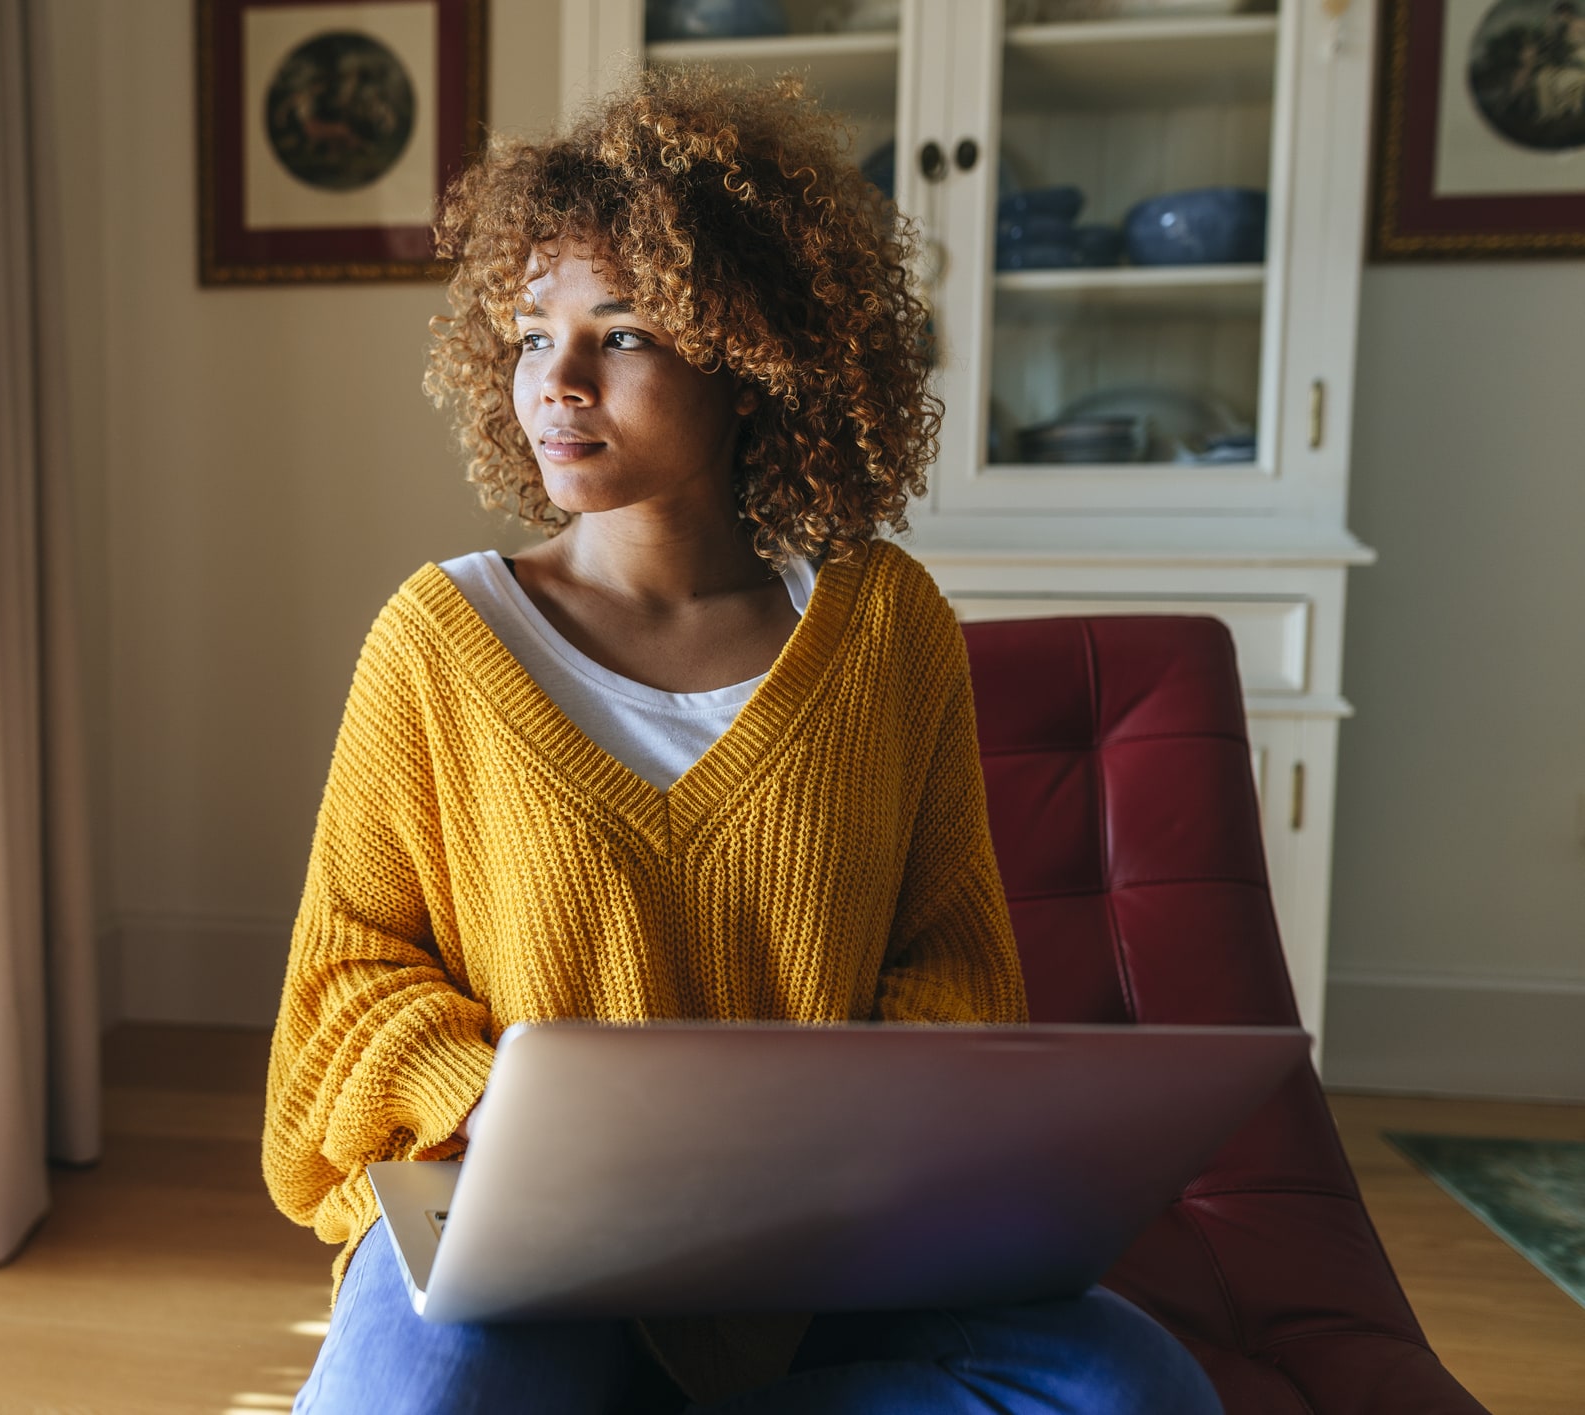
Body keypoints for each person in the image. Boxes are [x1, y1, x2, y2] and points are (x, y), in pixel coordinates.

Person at [261, 68, 1224, 1415]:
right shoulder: (439, 641)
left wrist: (836, 1150)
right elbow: (349, 983)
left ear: (756, 356)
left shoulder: (885, 629)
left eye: (627, 332)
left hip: (827, 1251)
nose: (562, 380)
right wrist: (505, 1119)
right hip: (518, 1234)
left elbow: (953, 962)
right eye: (534, 336)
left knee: (1131, 1391)